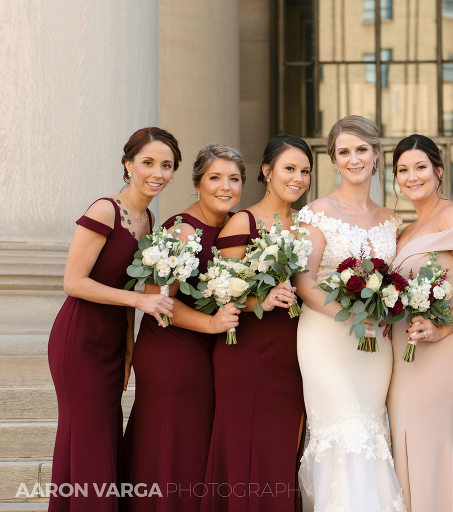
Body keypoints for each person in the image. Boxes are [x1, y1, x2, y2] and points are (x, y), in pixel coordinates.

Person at [47, 127, 179, 511]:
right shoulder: (104, 210)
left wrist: (128, 352)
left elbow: (128, 291)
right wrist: (139, 302)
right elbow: (73, 282)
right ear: (128, 165)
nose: (158, 172)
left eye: (167, 165)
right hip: (79, 339)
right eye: (148, 162)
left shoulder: (150, 219)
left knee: (102, 438)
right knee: (89, 441)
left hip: (111, 344)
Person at [294, 116, 405, 511]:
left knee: (371, 430)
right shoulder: (315, 214)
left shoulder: (392, 220)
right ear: (334, 159)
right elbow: (304, 283)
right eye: (344, 152)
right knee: (344, 430)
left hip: (375, 344)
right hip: (326, 338)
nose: (354, 158)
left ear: (376, 155)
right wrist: (351, 311)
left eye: (362, 150)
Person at [124, 144, 243, 511]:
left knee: (192, 452)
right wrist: (211, 323)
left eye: (234, 178)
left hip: (208, 354)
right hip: (171, 353)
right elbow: (159, 301)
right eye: (215, 178)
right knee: (171, 451)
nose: (226, 187)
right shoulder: (181, 229)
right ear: (198, 183)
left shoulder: (237, 225)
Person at [201, 136, 311, 512]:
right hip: (248, 353)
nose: (297, 178)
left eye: (305, 171)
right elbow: (221, 291)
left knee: (282, 450)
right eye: (289, 169)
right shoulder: (240, 222)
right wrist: (260, 301)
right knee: (246, 450)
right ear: (267, 171)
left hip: (292, 354)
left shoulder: (306, 223)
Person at [387, 134, 453, 511]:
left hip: (446, 347)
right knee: (406, 440)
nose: (411, 177)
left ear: (438, 171)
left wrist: (443, 327)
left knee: (434, 442)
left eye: (420, 168)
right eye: (402, 169)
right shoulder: (406, 229)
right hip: (406, 352)